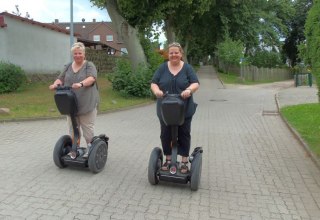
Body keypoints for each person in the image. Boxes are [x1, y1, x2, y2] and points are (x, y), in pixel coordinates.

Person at [150, 42, 200, 174]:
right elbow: (154, 83)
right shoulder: (162, 68)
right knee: (165, 134)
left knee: (184, 133)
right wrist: (157, 92)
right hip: (165, 109)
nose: (174, 55)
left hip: (184, 109)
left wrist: (189, 90)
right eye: (171, 53)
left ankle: (184, 162)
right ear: (168, 54)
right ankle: (167, 159)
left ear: (181, 54)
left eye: (176, 53)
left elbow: (195, 83)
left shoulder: (187, 68)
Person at [49, 42, 99, 158]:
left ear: (84, 54)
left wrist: (81, 84)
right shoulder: (67, 66)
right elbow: (60, 78)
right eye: (75, 53)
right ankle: (74, 149)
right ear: (73, 55)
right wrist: (55, 85)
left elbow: (91, 78)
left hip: (87, 103)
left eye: (80, 53)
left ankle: (90, 149)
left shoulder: (89, 66)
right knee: (73, 129)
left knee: (87, 130)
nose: (77, 55)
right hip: (70, 104)